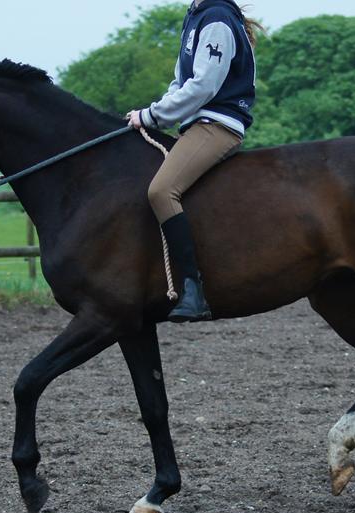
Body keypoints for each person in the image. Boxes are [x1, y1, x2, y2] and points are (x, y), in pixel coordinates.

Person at [127, 0, 262, 322]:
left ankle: (192, 289)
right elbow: (181, 82)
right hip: (195, 123)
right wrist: (156, 111)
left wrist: (151, 116)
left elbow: (203, 85)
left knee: (162, 191)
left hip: (216, 124)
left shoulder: (216, 17)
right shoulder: (197, 15)